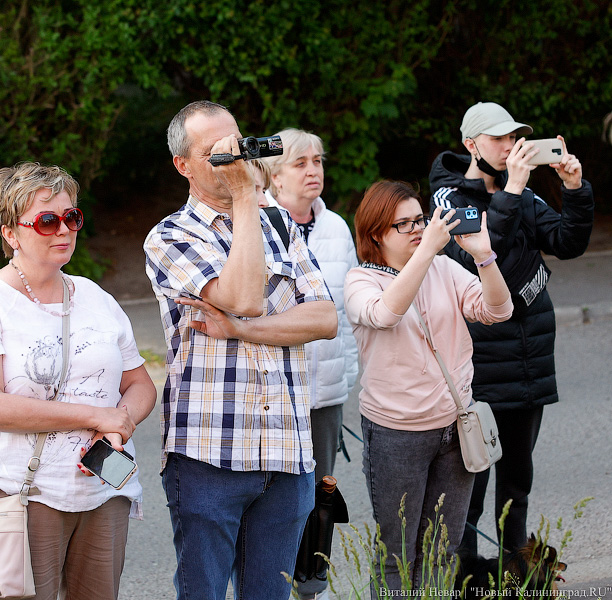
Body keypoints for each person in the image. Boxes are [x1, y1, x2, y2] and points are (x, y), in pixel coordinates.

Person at [144, 100, 338, 600]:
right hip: (210, 452)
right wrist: (247, 195)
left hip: (286, 450)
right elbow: (245, 296)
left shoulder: (281, 224)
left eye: (237, 144)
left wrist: (238, 330)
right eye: (216, 151)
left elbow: (324, 319)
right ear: (183, 165)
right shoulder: (170, 235)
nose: (233, 158)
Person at [0, 162, 157, 600]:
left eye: (71, 217)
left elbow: (140, 385)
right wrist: (96, 416)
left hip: (101, 490)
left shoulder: (95, 297)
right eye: (47, 221)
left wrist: (119, 425)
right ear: (10, 233)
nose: (64, 230)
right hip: (18, 495)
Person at [428, 102, 594, 558]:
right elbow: (478, 256)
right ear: (471, 144)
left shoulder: (521, 193)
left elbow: (567, 242)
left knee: (517, 486)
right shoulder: (448, 198)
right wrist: (514, 190)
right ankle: (465, 580)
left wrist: (574, 189)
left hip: (529, 362)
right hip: (479, 367)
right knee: (470, 489)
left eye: (513, 137)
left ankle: (515, 574)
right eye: (498, 138)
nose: (509, 146)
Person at [344, 180, 513, 593]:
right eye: (403, 224)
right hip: (395, 434)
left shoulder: (444, 268)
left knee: (442, 550)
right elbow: (386, 314)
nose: (418, 229)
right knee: (397, 553)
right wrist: (426, 252)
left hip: (455, 427)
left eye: (420, 219)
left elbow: (499, 310)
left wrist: (484, 256)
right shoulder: (360, 280)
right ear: (375, 234)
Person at [263, 128, 359, 600]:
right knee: (275, 500)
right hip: (273, 391)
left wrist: (347, 378)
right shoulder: (255, 224)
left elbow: (347, 313)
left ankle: (310, 587)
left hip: (325, 393)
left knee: (321, 496)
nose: (313, 170)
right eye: (300, 163)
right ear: (274, 175)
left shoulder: (336, 227)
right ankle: (266, 585)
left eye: (317, 161)